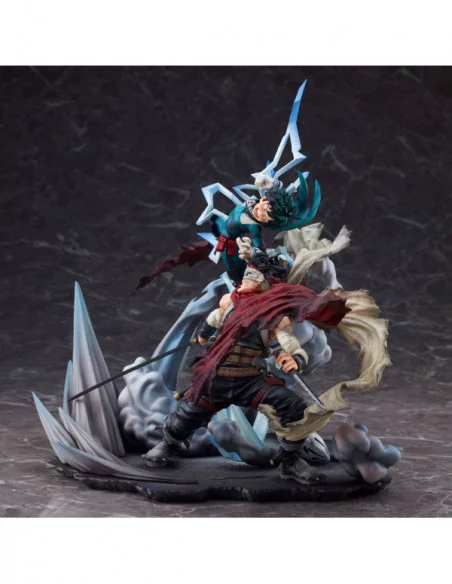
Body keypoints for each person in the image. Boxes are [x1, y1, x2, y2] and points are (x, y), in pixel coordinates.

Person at [143, 256, 349, 483]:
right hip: (217, 378)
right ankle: (168, 444)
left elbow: (288, 342)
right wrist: (204, 334)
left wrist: (295, 358)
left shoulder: (275, 316)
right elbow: (213, 319)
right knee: (188, 414)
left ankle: (290, 462)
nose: (246, 279)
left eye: (253, 276)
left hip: (250, 381)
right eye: (248, 274)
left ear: (267, 284)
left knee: (294, 407)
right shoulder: (229, 302)